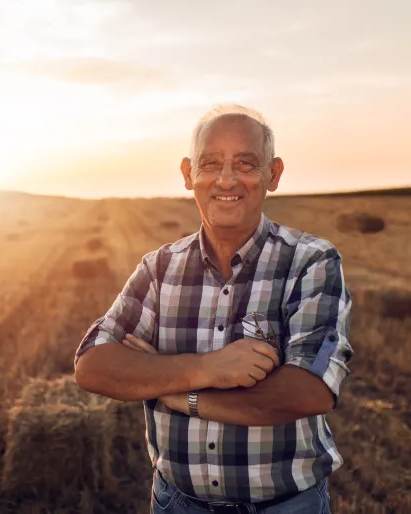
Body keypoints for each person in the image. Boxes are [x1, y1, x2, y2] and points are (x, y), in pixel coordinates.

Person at [74, 104, 353, 513]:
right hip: (177, 503)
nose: (226, 179)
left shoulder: (310, 262)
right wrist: (208, 369)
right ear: (189, 174)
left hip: (285, 506)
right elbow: (93, 365)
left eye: (246, 163)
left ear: (273, 174)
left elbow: (309, 390)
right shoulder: (159, 269)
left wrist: (181, 397)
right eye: (210, 163)